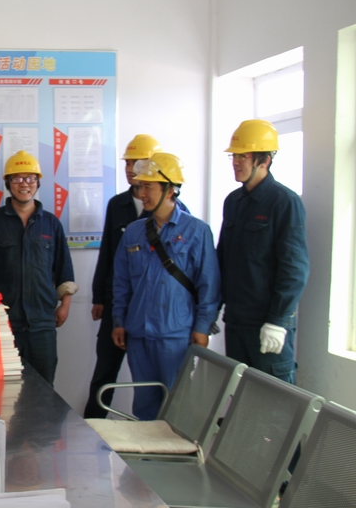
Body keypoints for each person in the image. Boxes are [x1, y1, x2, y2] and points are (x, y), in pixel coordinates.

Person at [112, 153, 220, 420]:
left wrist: (202, 327)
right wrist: (119, 320)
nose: (142, 194)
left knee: (177, 407)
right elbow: (122, 281)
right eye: (140, 187)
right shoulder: (134, 231)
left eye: (148, 187)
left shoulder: (197, 231)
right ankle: (146, 448)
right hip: (139, 334)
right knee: (144, 407)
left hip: (176, 335)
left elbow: (209, 284)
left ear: (170, 190)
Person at [217, 120, 309, 384]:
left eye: (243, 156)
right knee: (240, 397)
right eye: (234, 156)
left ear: (265, 160)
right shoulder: (233, 202)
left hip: (267, 324)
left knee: (274, 399)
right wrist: (212, 309)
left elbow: (294, 268)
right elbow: (222, 260)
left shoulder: (285, 202)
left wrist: (278, 320)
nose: (236, 162)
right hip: (236, 321)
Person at [0, 150, 76, 385]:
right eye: (17, 178)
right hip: (2, 322)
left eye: (30, 178)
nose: (24, 184)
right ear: (8, 183)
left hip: (42, 322)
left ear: (38, 182)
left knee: (44, 386)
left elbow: (64, 267)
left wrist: (65, 304)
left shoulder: (50, 223)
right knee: (2, 388)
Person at [84, 134, 161, 418]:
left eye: (136, 163)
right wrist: (99, 297)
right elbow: (107, 252)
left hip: (151, 308)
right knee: (104, 371)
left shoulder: (170, 207)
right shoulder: (118, 204)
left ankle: (155, 430)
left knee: (152, 376)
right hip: (116, 303)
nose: (130, 169)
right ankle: (92, 425)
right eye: (127, 163)